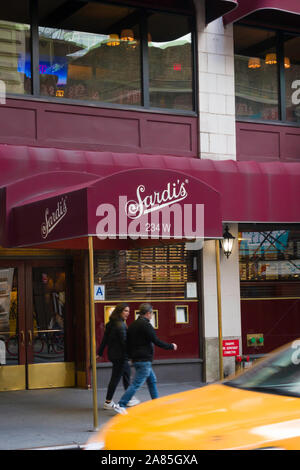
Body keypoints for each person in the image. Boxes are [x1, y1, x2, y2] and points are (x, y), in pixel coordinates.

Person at [113, 303, 177, 414]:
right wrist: (171, 346)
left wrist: (131, 356)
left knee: (152, 380)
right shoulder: (146, 325)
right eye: (152, 314)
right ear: (148, 313)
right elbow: (156, 341)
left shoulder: (132, 325)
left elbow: (127, 343)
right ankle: (121, 404)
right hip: (144, 360)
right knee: (136, 384)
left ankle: (156, 404)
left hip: (138, 359)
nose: (152, 316)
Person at [98, 303, 140, 410]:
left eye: (128, 311)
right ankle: (108, 401)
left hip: (114, 355)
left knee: (126, 375)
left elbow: (104, 340)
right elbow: (124, 342)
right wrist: (131, 355)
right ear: (119, 311)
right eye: (125, 311)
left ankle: (129, 398)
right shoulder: (120, 325)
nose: (128, 313)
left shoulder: (111, 323)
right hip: (121, 356)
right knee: (116, 378)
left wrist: (100, 352)